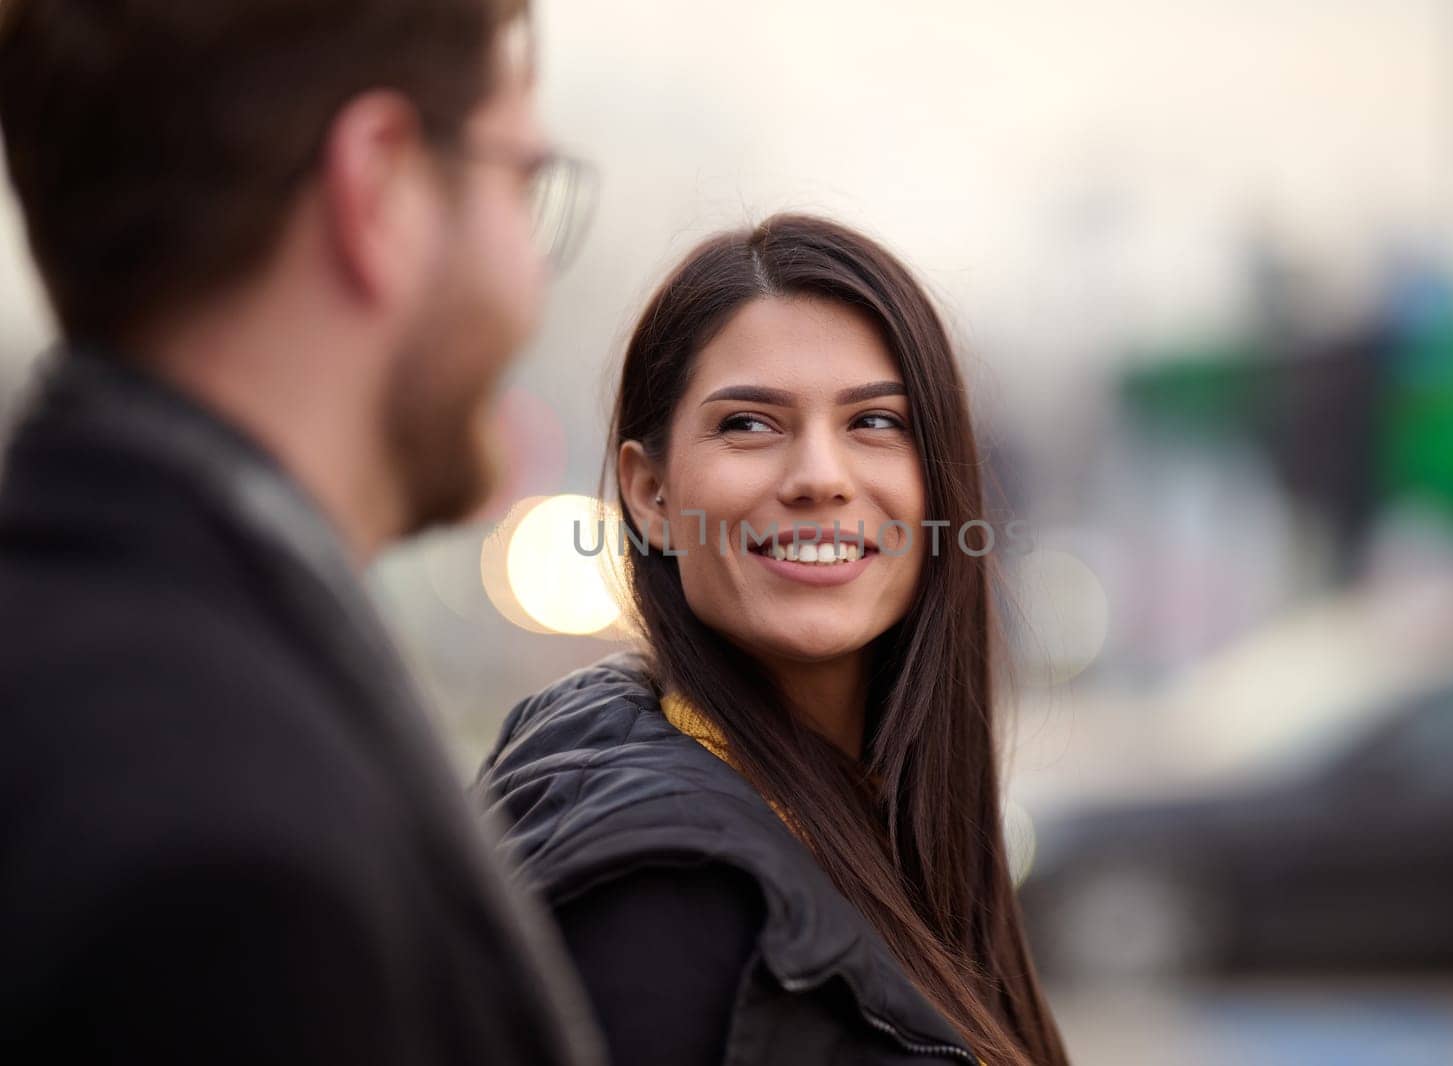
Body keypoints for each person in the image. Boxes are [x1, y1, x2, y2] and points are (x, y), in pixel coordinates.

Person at [0, 1, 601, 1063]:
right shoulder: (232, 870)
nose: (532, 281)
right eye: (523, 183)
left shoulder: (80, 643)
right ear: (380, 189)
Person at [480, 214, 1071, 1066]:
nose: (820, 479)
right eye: (750, 425)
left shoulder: (859, 811)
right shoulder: (667, 894)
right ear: (650, 496)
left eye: (876, 423)